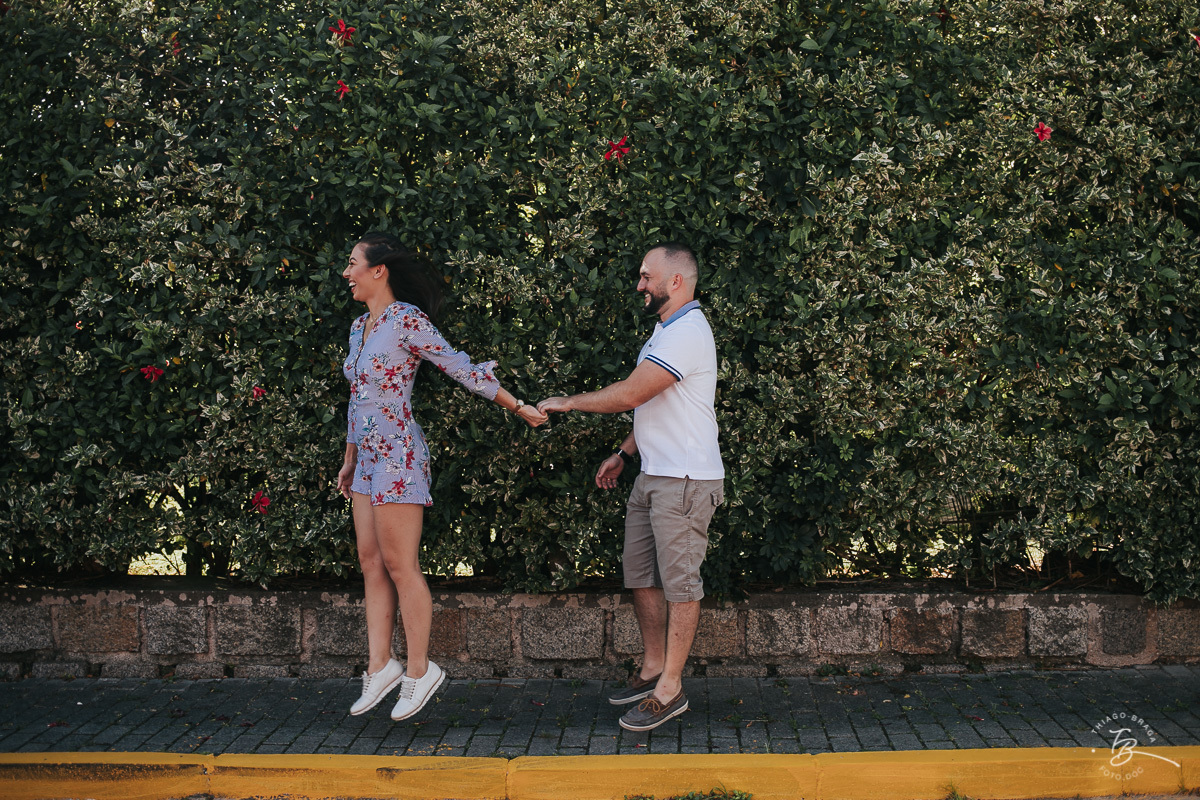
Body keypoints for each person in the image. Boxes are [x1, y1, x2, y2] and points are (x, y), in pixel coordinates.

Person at [337, 232, 547, 721]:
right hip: (366, 459)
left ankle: (419, 670)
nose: (346, 273)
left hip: (397, 455)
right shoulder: (358, 328)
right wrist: (349, 458)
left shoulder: (407, 320)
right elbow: (357, 399)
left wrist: (518, 407)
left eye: (352, 264)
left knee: (399, 563)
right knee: (370, 561)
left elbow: (461, 368)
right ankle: (379, 666)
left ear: (378, 270)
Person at [537, 242, 724, 731]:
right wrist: (624, 454)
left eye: (646, 276)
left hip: (684, 480)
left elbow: (632, 393)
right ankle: (652, 668)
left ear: (676, 281)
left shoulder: (687, 333)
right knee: (641, 575)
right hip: (652, 476)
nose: (639, 284)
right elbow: (654, 407)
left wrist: (570, 401)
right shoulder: (665, 332)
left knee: (681, 586)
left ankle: (671, 689)